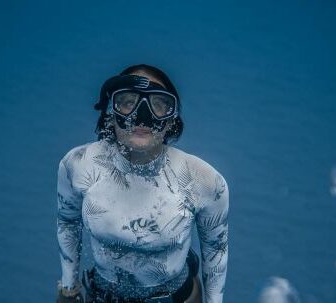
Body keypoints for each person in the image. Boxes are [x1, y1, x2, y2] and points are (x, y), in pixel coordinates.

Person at [56, 64, 229, 303]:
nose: (142, 116)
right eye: (127, 102)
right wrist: (69, 289)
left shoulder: (204, 180)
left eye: (159, 105)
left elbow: (215, 250)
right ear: (111, 110)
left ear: (171, 119)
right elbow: (68, 222)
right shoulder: (78, 165)